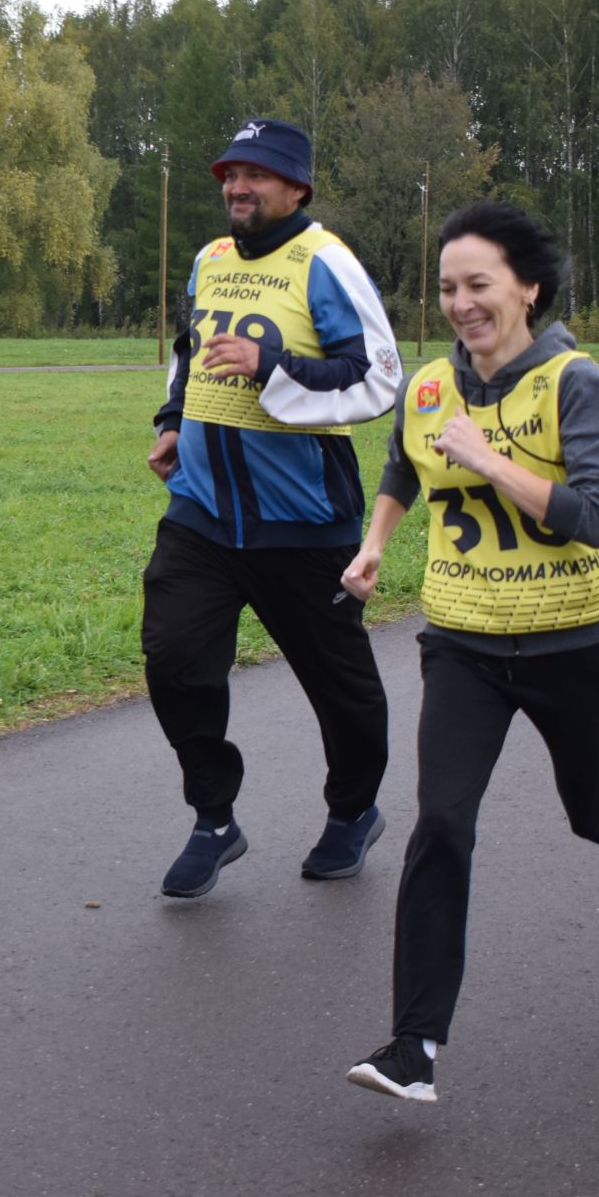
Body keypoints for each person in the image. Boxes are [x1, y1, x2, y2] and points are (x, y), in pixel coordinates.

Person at [338, 202, 599, 1103]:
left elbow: (596, 516)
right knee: (440, 823)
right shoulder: (431, 386)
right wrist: (377, 542)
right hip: (464, 647)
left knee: (592, 809)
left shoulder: (577, 383)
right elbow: (406, 462)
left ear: (527, 286)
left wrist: (492, 460)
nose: (459, 302)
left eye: (478, 284)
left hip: (576, 649)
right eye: (447, 287)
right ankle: (415, 1047)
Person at [143, 117, 404, 898]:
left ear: (297, 187)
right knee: (175, 659)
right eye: (229, 172)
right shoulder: (210, 259)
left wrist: (275, 366)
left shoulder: (326, 261)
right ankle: (214, 818)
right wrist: (169, 422)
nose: (237, 186)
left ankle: (353, 811)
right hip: (203, 515)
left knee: (340, 688)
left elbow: (378, 377)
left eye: (255, 173)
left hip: (303, 520)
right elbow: (193, 352)